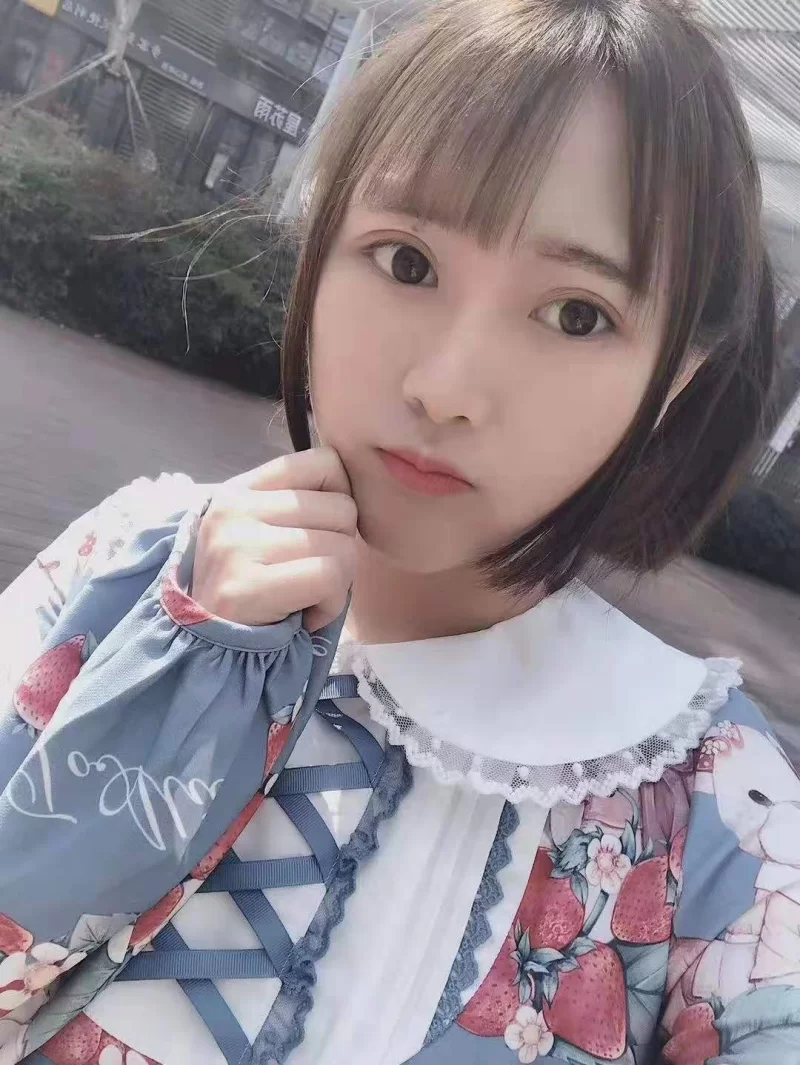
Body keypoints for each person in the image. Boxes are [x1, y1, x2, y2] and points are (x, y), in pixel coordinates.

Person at [0, 0, 797, 1062]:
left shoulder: (718, 811)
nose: (445, 387)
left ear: (675, 378)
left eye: (576, 314)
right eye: (406, 261)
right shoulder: (125, 565)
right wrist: (163, 694)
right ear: (322, 241)